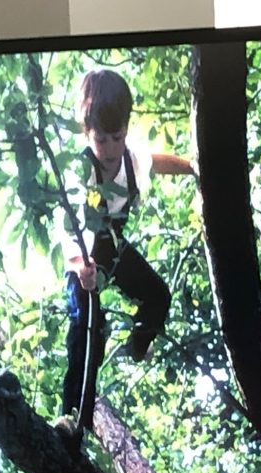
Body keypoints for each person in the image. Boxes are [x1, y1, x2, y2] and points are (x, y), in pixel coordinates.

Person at [58, 68, 195, 439]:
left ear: (126, 129)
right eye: (100, 139)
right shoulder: (81, 168)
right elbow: (68, 225)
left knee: (157, 295)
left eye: (117, 138)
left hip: (113, 250)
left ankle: (137, 345)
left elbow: (157, 161)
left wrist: (192, 167)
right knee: (87, 330)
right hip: (83, 255)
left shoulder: (130, 159)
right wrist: (80, 265)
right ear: (87, 133)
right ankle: (72, 418)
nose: (109, 149)